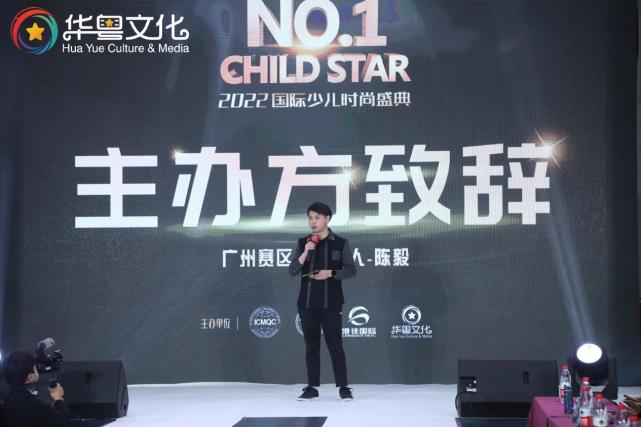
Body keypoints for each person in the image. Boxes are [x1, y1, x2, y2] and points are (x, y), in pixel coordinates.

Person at [288, 202, 357, 401]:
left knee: (335, 346)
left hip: (331, 304)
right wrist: (304, 252)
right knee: (311, 347)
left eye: (317, 217)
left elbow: (351, 270)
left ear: (327, 219)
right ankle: (312, 388)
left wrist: (331, 273)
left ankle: (343, 387)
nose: (313, 222)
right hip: (307, 304)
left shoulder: (340, 243)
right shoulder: (303, 242)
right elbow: (292, 270)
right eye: (310, 218)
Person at [1, 350, 71, 426]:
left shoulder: (7, 401)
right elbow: (63, 423)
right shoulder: (31, 405)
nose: (37, 371)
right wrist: (58, 398)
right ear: (30, 377)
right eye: (35, 369)